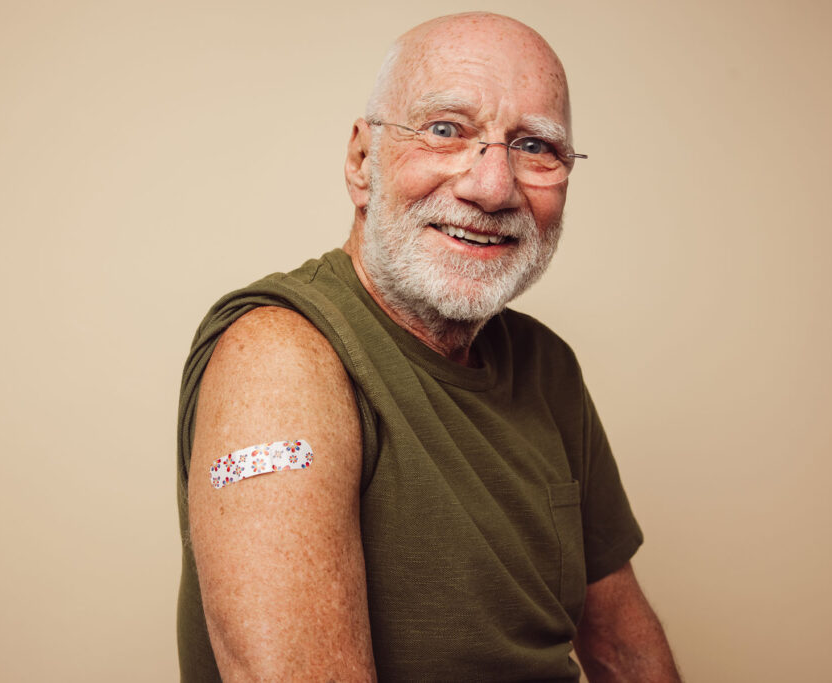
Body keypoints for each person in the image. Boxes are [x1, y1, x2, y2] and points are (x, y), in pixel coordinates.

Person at [176, 12, 680, 682]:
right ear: (361, 161)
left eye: (535, 147)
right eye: (446, 130)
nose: (492, 187)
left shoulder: (547, 368)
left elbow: (622, 648)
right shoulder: (280, 357)